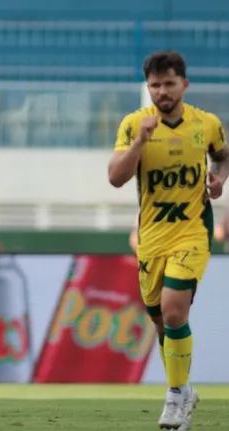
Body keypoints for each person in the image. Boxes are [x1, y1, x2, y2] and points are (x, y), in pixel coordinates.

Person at [107, 50, 229, 430]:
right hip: (151, 239)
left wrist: (219, 179)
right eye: (155, 85)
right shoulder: (134, 124)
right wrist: (141, 142)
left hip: (192, 232)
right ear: (148, 87)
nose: (162, 91)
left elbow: (223, 156)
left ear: (184, 84)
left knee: (176, 312)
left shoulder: (205, 123)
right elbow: (115, 177)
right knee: (163, 325)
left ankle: (175, 397)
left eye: (169, 83)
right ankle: (184, 388)